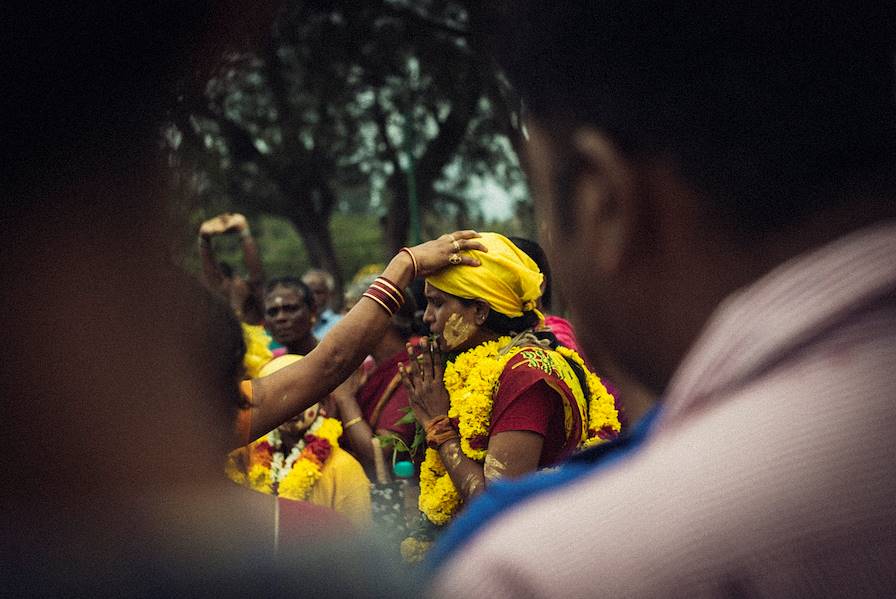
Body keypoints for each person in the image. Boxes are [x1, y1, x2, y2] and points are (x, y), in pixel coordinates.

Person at [427, 3, 896, 597]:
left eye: (545, 205)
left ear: (603, 203)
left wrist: (439, 433)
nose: (430, 316)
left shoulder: (550, 572)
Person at [399, 232, 621, 528]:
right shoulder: (489, 365)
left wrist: (439, 426)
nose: (427, 318)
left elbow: (498, 505)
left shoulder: (525, 373)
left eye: (437, 304)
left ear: (479, 311)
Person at [228, 354, 373, 530]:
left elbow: (357, 543)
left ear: (323, 403)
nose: (289, 407)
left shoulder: (344, 467)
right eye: (278, 398)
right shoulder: (246, 454)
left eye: (299, 399)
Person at [330, 274, 420, 479]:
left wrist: (345, 400)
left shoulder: (416, 367)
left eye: (352, 312)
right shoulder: (367, 367)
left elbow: (379, 454)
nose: (343, 322)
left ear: (383, 318)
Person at [198, 212, 266, 325]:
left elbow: (257, 279)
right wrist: (204, 238)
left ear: (229, 282)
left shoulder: (256, 310)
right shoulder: (209, 316)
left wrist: (244, 232)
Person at [264, 277, 319, 356]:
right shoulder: (269, 363)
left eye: (291, 309)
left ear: (313, 311)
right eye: (272, 312)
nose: (280, 318)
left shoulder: (336, 356)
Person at [303, 268, 343, 340]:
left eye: (319, 292)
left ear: (329, 294)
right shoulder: (298, 325)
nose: (313, 297)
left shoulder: (341, 324)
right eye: (309, 292)